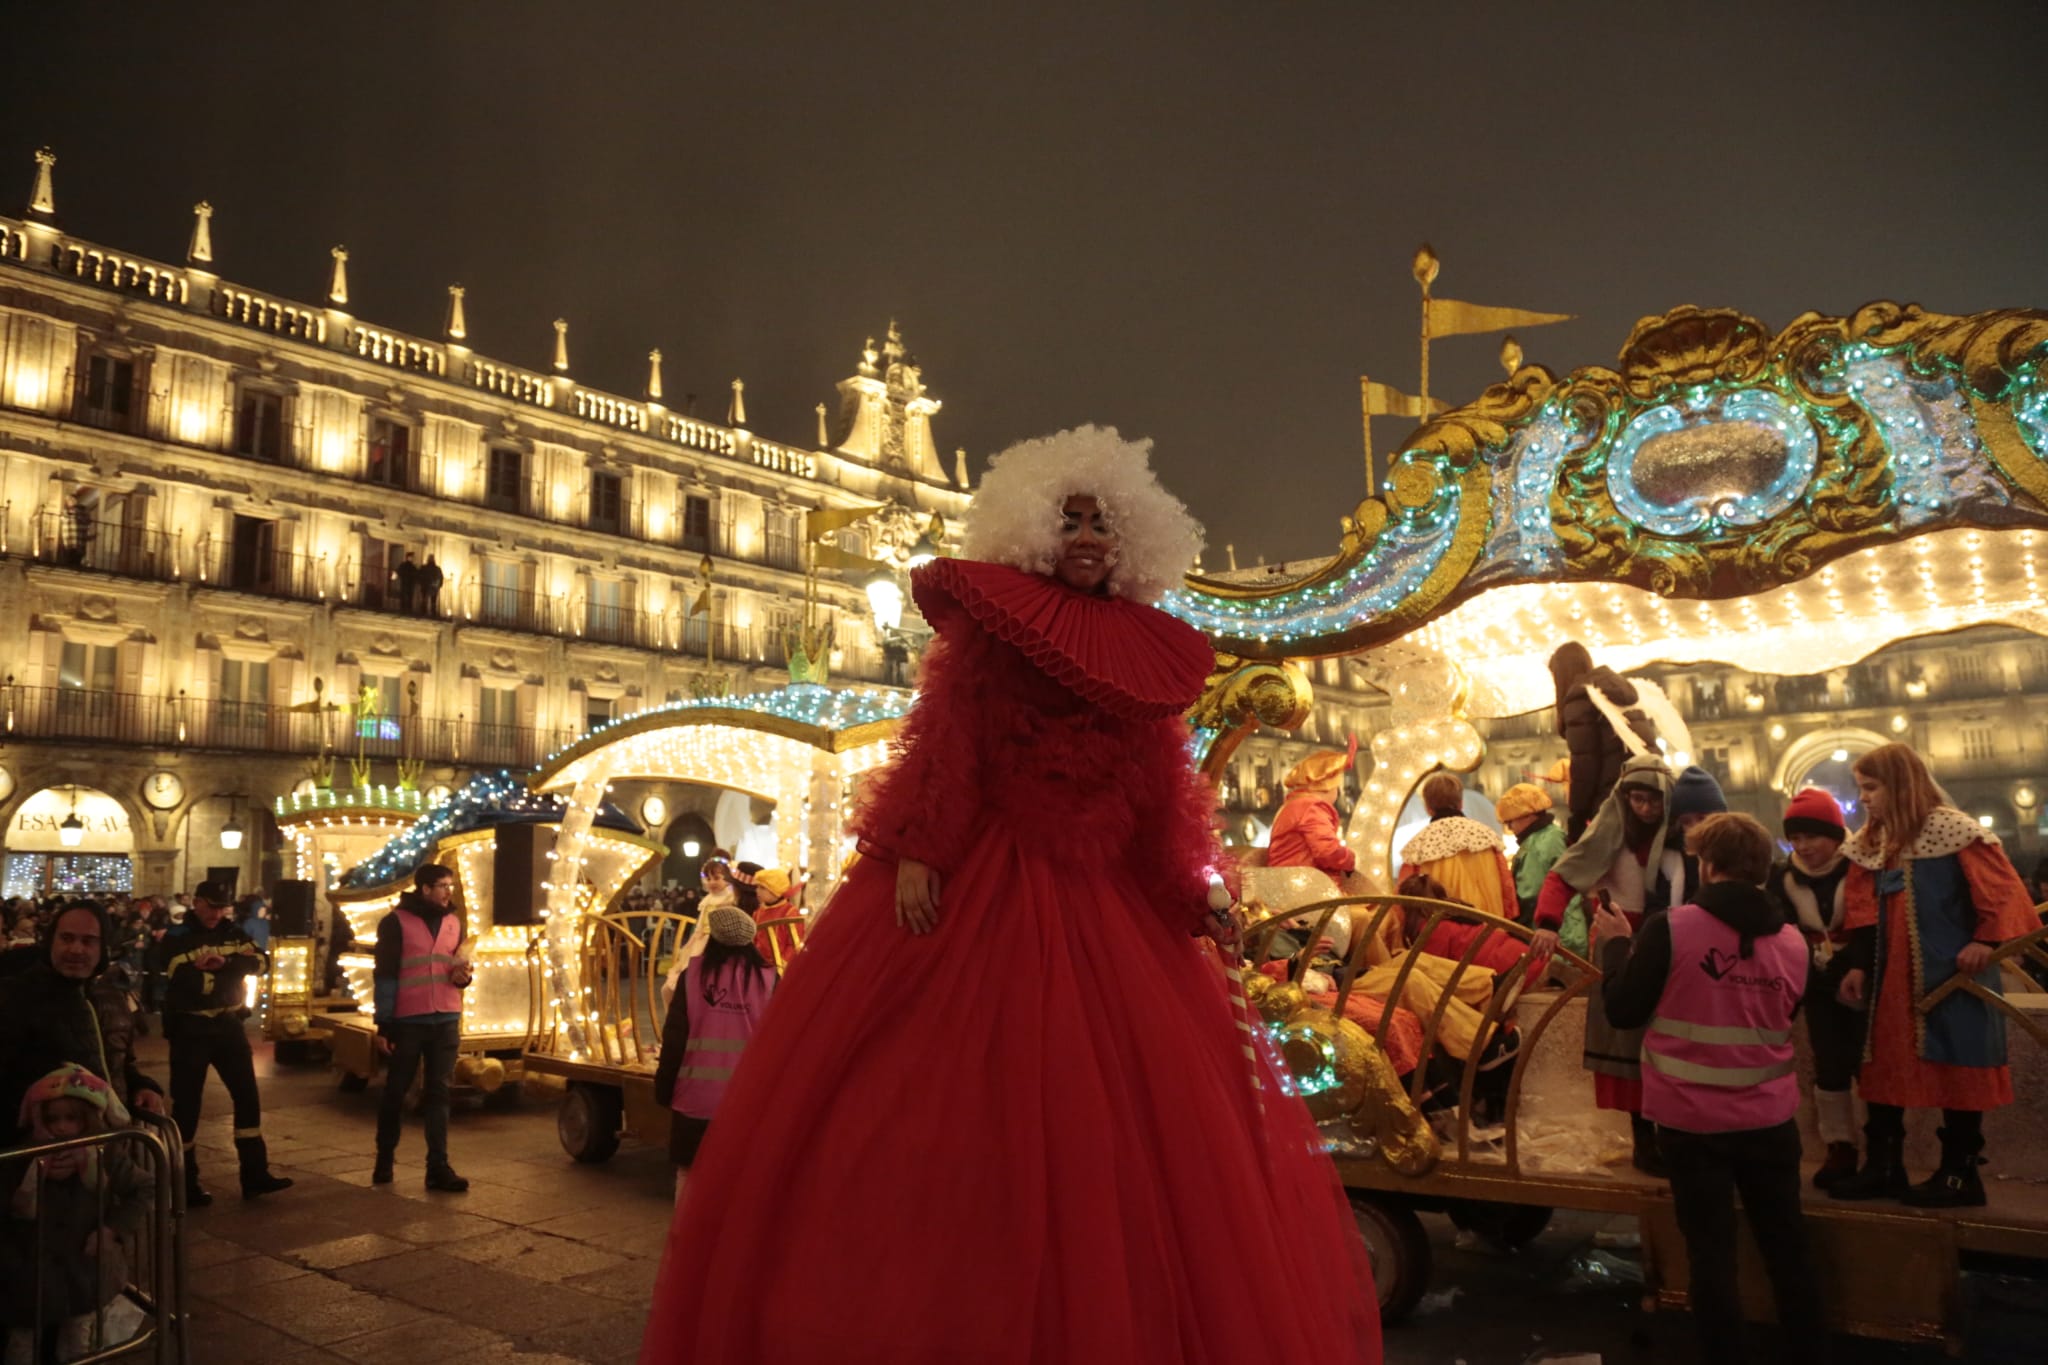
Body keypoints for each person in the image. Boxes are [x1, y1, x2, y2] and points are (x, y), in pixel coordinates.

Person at [638, 426, 1379, 1363]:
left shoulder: (1143, 657)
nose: (1088, 536)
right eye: (1069, 519)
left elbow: (1156, 790)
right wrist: (920, 847)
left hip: (1104, 896)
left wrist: (1194, 887)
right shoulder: (996, 634)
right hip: (993, 880)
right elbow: (954, 736)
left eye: (1104, 522)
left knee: (1125, 1135)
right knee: (946, 1094)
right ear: (1033, 529)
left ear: (1134, 539)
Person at [1592, 814, 1825, 1364]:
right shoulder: (1793, 943)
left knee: (1711, 1257)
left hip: (1690, 1123)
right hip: (1770, 1121)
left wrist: (1613, 948)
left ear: (1708, 864)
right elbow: (1787, 1012)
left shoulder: (1671, 928)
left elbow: (1624, 1011)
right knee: (1787, 1249)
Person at [1829, 743, 2041, 1207]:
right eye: (1861, 788)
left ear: (1901, 784)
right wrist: (1860, 964)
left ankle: (1960, 1174)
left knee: (1958, 1064)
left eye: (1871, 787)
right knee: (1882, 1063)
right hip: (1890, 982)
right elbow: (1864, 912)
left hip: (1952, 977)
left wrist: (1984, 943)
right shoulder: (1872, 842)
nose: (1863, 798)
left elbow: (2004, 896)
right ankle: (1885, 1167)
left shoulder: (1954, 830)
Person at [1532, 755, 1674, 1174]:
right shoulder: (1607, 832)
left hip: (1670, 943)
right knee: (1627, 1040)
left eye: (1654, 801)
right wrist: (1547, 923)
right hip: (1619, 943)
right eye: (1638, 800)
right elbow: (1563, 876)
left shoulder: (1679, 835)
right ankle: (1644, 1141)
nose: (1646, 809)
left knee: (1668, 1041)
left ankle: (1672, 1132)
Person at [2, 1065, 153, 1364]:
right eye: (52, 1119)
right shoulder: (23, 1156)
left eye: (71, 1118)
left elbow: (145, 1187)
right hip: (30, 1272)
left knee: (79, 1345)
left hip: (85, 1271)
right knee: (22, 1345)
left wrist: (113, 1230)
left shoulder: (104, 1153)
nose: (61, 1128)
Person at [153, 880, 291, 1206]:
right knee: (187, 1108)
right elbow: (183, 979)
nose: (216, 914)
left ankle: (255, 1175)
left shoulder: (233, 932)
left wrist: (225, 966)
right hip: (190, 1029)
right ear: (197, 903)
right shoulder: (177, 937)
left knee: (247, 1098)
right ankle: (184, 1185)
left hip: (228, 1025)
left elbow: (262, 963)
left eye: (221, 908)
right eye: (211, 906)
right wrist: (229, 974)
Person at [0, 903, 166, 1146]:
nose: (76, 949)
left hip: (109, 1150)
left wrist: (141, 1086)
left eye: (88, 941)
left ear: (103, 948)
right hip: (48, 1157)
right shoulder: (17, 997)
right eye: (67, 938)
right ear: (51, 942)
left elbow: (118, 1063)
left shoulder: (111, 996)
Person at [1767, 787, 1862, 1188]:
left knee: (1870, 1064)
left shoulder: (1860, 870)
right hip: (1814, 980)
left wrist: (1848, 963)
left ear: (1837, 837)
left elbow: (1871, 924)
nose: (1803, 847)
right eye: (1797, 838)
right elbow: (1781, 926)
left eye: (1813, 837)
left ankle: (1884, 1146)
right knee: (1829, 1065)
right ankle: (1839, 1145)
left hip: (1861, 975)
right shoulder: (1781, 878)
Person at [654, 904, 777, 1204]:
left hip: (695, 1098)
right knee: (741, 1176)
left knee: (689, 1173)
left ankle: (686, 1241)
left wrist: (663, 1088)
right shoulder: (770, 980)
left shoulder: (692, 976)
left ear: (714, 939)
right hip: (749, 1102)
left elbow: (675, 1040)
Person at [371, 864, 472, 1192]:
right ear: (424, 889)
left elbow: (455, 966)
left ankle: (438, 1167)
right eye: (442, 886)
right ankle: (385, 1159)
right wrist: (384, 1024)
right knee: (396, 1091)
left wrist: (465, 977)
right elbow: (385, 974)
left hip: (445, 1016)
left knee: (439, 1092)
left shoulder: (453, 921)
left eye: (450, 886)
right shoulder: (395, 922)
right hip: (408, 1020)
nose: (448, 892)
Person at [1548, 641, 1656, 842]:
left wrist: (1578, 816)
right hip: (1644, 797)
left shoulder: (1580, 699)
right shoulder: (1617, 691)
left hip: (1612, 802)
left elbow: (1585, 766)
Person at [1497, 782, 1566, 922]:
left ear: (1528, 815)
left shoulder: (1537, 846)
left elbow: (1531, 894)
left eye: (1511, 821)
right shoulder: (1553, 834)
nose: (1509, 828)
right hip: (1566, 929)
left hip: (1549, 935)